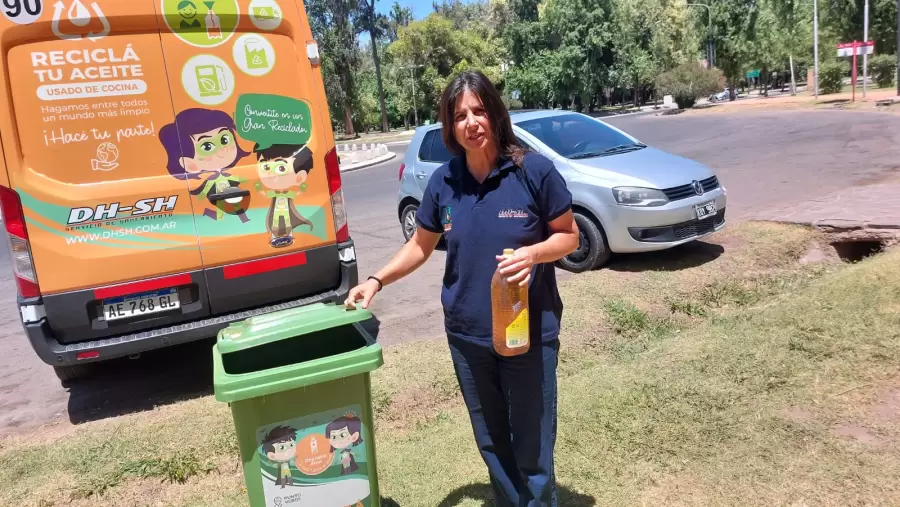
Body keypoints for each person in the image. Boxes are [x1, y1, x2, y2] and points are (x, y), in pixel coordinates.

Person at [344, 70, 579, 506]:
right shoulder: (444, 182)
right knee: (490, 437)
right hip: (468, 334)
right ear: (450, 126)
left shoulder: (533, 171)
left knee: (532, 438)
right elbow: (420, 245)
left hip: (528, 332)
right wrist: (376, 280)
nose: (471, 122)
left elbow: (569, 236)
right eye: (459, 115)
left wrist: (534, 254)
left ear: (495, 113)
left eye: (479, 110)